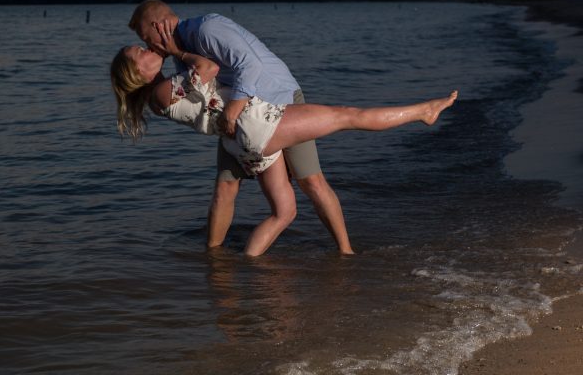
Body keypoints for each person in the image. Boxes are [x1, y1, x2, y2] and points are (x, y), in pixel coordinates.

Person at [110, 39, 457, 257]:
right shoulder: (162, 92)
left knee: (285, 211)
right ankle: (422, 112)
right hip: (258, 127)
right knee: (345, 116)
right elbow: (210, 67)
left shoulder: (162, 95)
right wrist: (176, 49)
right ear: (137, 73)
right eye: (138, 52)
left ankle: (249, 263)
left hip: (242, 143)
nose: (144, 48)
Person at [128, 0, 354, 254]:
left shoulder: (206, 29)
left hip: (280, 99)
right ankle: (214, 259)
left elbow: (250, 66)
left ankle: (345, 253)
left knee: (311, 181)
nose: (149, 46)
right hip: (244, 119)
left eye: (146, 38)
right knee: (225, 187)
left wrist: (233, 111)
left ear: (159, 27)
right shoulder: (181, 58)